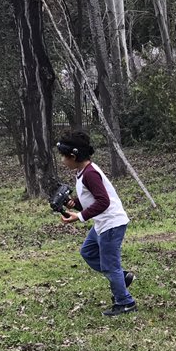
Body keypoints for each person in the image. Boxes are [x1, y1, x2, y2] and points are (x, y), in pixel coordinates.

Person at [57, 130, 137, 316]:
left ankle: (125, 303)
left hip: (111, 223)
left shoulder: (90, 174)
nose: (62, 160)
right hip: (102, 223)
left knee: (110, 266)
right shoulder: (82, 172)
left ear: (73, 156)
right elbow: (91, 200)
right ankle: (122, 278)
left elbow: (103, 202)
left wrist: (79, 216)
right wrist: (74, 204)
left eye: (64, 156)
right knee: (88, 252)